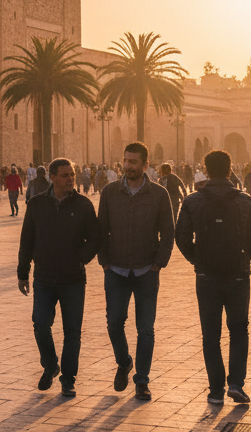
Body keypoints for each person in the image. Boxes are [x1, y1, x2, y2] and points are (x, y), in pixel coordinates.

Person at [175, 149, 251, 405]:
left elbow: (181, 237)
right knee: (238, 330)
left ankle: (216, 390)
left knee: (211, 335)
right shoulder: (245, 201)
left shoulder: (193, 201)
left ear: (205, 170)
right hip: (238, 275)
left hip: (207, 276)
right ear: (230, 170)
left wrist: (198, 259)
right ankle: (236, 384)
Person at [96, 142, 175, 402]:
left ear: (145, 165)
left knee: (146, 329)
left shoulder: (159, 194)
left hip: (146, 271)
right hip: (116, 270)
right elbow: (101, 229)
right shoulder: (110, 192)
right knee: (114, 323)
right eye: (125, 161)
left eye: (133, 162)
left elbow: (168, 232)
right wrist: (104, 261)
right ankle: (124, 361)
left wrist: (158, 263)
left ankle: (142, 380)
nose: (127, 166)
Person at [17, 158, 99, 397]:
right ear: (52, 177)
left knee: (72, 331)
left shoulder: (83, 205)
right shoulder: (37, 204)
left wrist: (80, 258)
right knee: (40, 324)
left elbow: (95, 238)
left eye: (72, 174)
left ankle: (68, 379)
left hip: (73, 278)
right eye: (65, 175)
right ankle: (50, 364)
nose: (71, 179)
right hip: (44, 278)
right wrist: (23, 273)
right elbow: (27, 240)